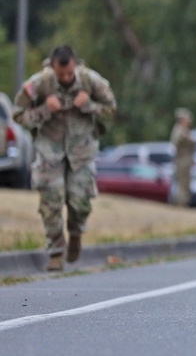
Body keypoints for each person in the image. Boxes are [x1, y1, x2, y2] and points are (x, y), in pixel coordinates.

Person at [12, 45, 117, 272]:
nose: (66, 78)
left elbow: (111, 109)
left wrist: (89, 105)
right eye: (61, 75)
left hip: (81, 151)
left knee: (80, 202)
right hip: (50, 150)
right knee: (50, 202)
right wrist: (43, 110)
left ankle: (76, 234)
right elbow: (18, 114)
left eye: (69, 73)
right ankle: (56, 252)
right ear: (52, 68)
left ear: (75, 65)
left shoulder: (91, 81)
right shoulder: (39, 84)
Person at [170, 107, 195, 206]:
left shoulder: (185, 130)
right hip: (182, 161)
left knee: (185, 185)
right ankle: (180, 204)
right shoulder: (179, 130)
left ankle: (183, 203)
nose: (189, 120)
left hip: (186, 161)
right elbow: (176, 143)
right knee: (182, 185)